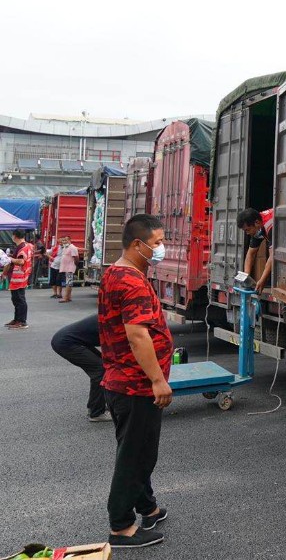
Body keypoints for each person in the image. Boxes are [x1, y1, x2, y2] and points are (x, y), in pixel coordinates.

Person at [98, 214, 173, 548]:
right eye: (156, 243)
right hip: (135, 385)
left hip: (120, 381)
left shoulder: (116, 273)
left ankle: (148, 507)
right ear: (138, 245)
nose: (161, 248)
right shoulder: (132, 281)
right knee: (136, 456)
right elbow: (137, 335)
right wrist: (158, 380)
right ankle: (121, 526)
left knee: (135, 450)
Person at [52, 314, 111, 422]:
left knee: (105, 367)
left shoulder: (112, 314)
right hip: (65, 343)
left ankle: (100, 405)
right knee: (100, 371)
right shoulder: (115, 321)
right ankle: (96, 413)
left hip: (70, 340)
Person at [236, 207, 274, 294]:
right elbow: (251, 253)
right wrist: (246, 277)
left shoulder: (270, 224)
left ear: (256, 223)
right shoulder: (258, 225)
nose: (247, 233)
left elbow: (273, 257)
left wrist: (262, 280)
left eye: (247, 230)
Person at [5, 229, 34, 329]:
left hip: (20, 276)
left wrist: (9, 258)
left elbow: (21, 261)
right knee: (16, 299)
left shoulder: (22, 247)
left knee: (19, 299)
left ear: (14, 236)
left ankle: (22, 321)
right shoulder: (27, 245)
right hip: (20, 276)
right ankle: (17, 319)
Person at [57, 235, 80, 303]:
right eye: (63, 240)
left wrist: (75, 264)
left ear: (70, 240)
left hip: (70, 268)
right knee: (68, 283)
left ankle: (66, 298)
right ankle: (68, 297)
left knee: (68, 283)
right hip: (66, 268)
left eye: (66, 240)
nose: (64, 241)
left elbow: (76, 257)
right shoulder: (65, 247)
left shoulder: (72, 247)